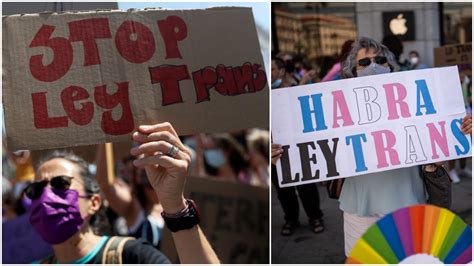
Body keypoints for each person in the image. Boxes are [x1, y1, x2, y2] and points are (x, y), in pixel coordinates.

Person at [338, 37, 472, 256]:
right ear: (352, 71)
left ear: (390, 66)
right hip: (359, 209)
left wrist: (463, 127)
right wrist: (284, 156)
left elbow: (442, 133)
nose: (373, 67)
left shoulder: (414, 102)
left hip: (407, 203)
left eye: (380, 60)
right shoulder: (338, 109)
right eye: (363, 63)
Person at [26, 122, 220, 264]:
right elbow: (106, 181)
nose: (46, 196)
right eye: (36, 189)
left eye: (60, 183)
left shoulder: (131, 256)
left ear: (94, 202)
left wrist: (176, 205)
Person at [94, 145, 165, 250]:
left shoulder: (173, 200)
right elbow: (105, 184)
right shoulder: (134, 206)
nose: (150, 166)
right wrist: (105, 139)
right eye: (143, 162)